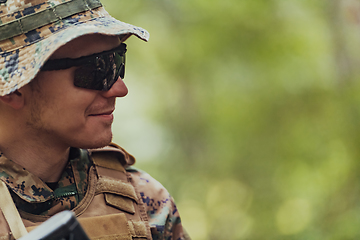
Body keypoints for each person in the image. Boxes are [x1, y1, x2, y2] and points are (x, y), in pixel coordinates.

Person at [0, 0, 189, 239]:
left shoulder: (146, 203)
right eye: (96, 70)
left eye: (118, 62)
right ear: (13, 88)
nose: (119, 89)